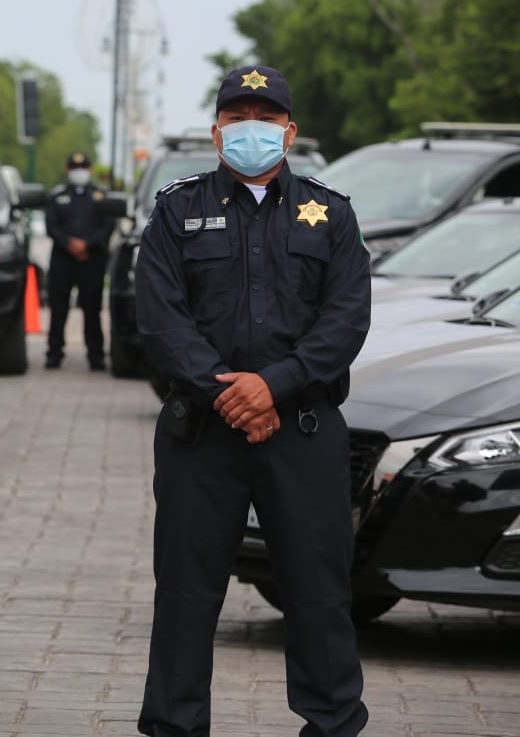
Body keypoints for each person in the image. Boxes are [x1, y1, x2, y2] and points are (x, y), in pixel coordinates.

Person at [134, 66, 370, 737]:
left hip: (301, 427)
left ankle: (331, 725)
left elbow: (347, 319)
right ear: (215, 132)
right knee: (185, 594)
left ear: (289, 132)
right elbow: (159, 317)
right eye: (237, 118)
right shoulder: (176, 210)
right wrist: (227, 390)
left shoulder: (331, 211)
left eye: (264, 118)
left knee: (320, 594)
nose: (250, 130)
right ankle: (175, 727)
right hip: (201, 436)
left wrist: (275, 384)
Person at [44, 151, 115, 371]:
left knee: (92, 308)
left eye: (82, 168)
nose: (79, 172)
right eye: (74, 169)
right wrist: (69, 244)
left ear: (90, 170)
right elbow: (51, 226)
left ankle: (96, 355)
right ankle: (54, 353)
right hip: (63, 260)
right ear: (67, 171)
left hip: (92, 259)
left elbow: (107, 226)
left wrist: (87, 244)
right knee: (58, 308)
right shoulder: (58, 196)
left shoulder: (100, 197)